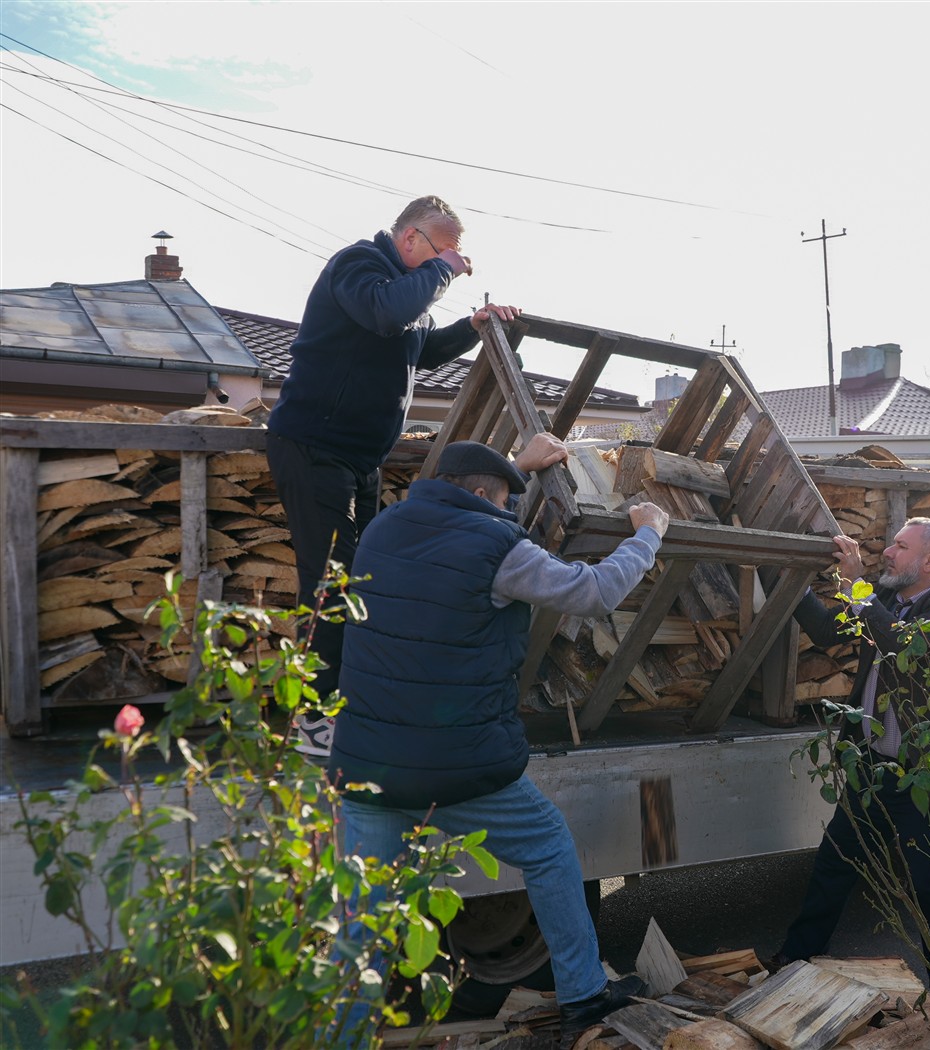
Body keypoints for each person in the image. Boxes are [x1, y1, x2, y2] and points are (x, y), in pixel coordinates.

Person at [326, 437, 667, 1048]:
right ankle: (583, 996)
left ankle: (342, 1036)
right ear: (483, 494)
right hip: (453, 764)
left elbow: (461, 525)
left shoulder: (382, 528)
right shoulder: (498, 547)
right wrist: (647, 535)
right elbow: (593, 593)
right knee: (548, 848)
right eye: (506, 500)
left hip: (365, 763)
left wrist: (518, 468)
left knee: (364, 919)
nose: (509, 512)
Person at [266, 195, 520, 756]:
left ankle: (345, 704)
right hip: (314, 448)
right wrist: (442, 271)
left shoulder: (406, 293)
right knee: (332, 583)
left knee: (362, 581)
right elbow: (386, 313)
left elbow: (419, 349)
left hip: (360, 459)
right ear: (409, 238)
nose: (454, 265)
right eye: (444, 251)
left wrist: (471, 327)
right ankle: (311, 720)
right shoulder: (359, 266)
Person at [771, 518, 930, 985]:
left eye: (901, 546)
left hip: (922, 774)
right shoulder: (885, 599)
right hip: (871, 766)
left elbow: (902, 648)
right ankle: (796, 957)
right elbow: (825, 631)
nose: (889, 552)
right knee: (836, 862)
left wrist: (857, 586)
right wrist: (787, 577)